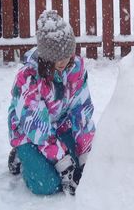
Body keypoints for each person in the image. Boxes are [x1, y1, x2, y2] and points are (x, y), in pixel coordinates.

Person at [7, 10, 95, 195]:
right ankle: (22, 155)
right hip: (29, 133)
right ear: (46, 57)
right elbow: (37, 127)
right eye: (57, 58)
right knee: (47, 184)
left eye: (67, 54)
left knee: (79, 163)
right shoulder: (29, 78)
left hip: (61, 126)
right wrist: (64, 165)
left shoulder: (76, 69)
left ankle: (48, 156)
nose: (64, 61)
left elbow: (81, 113)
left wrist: (86, 157)